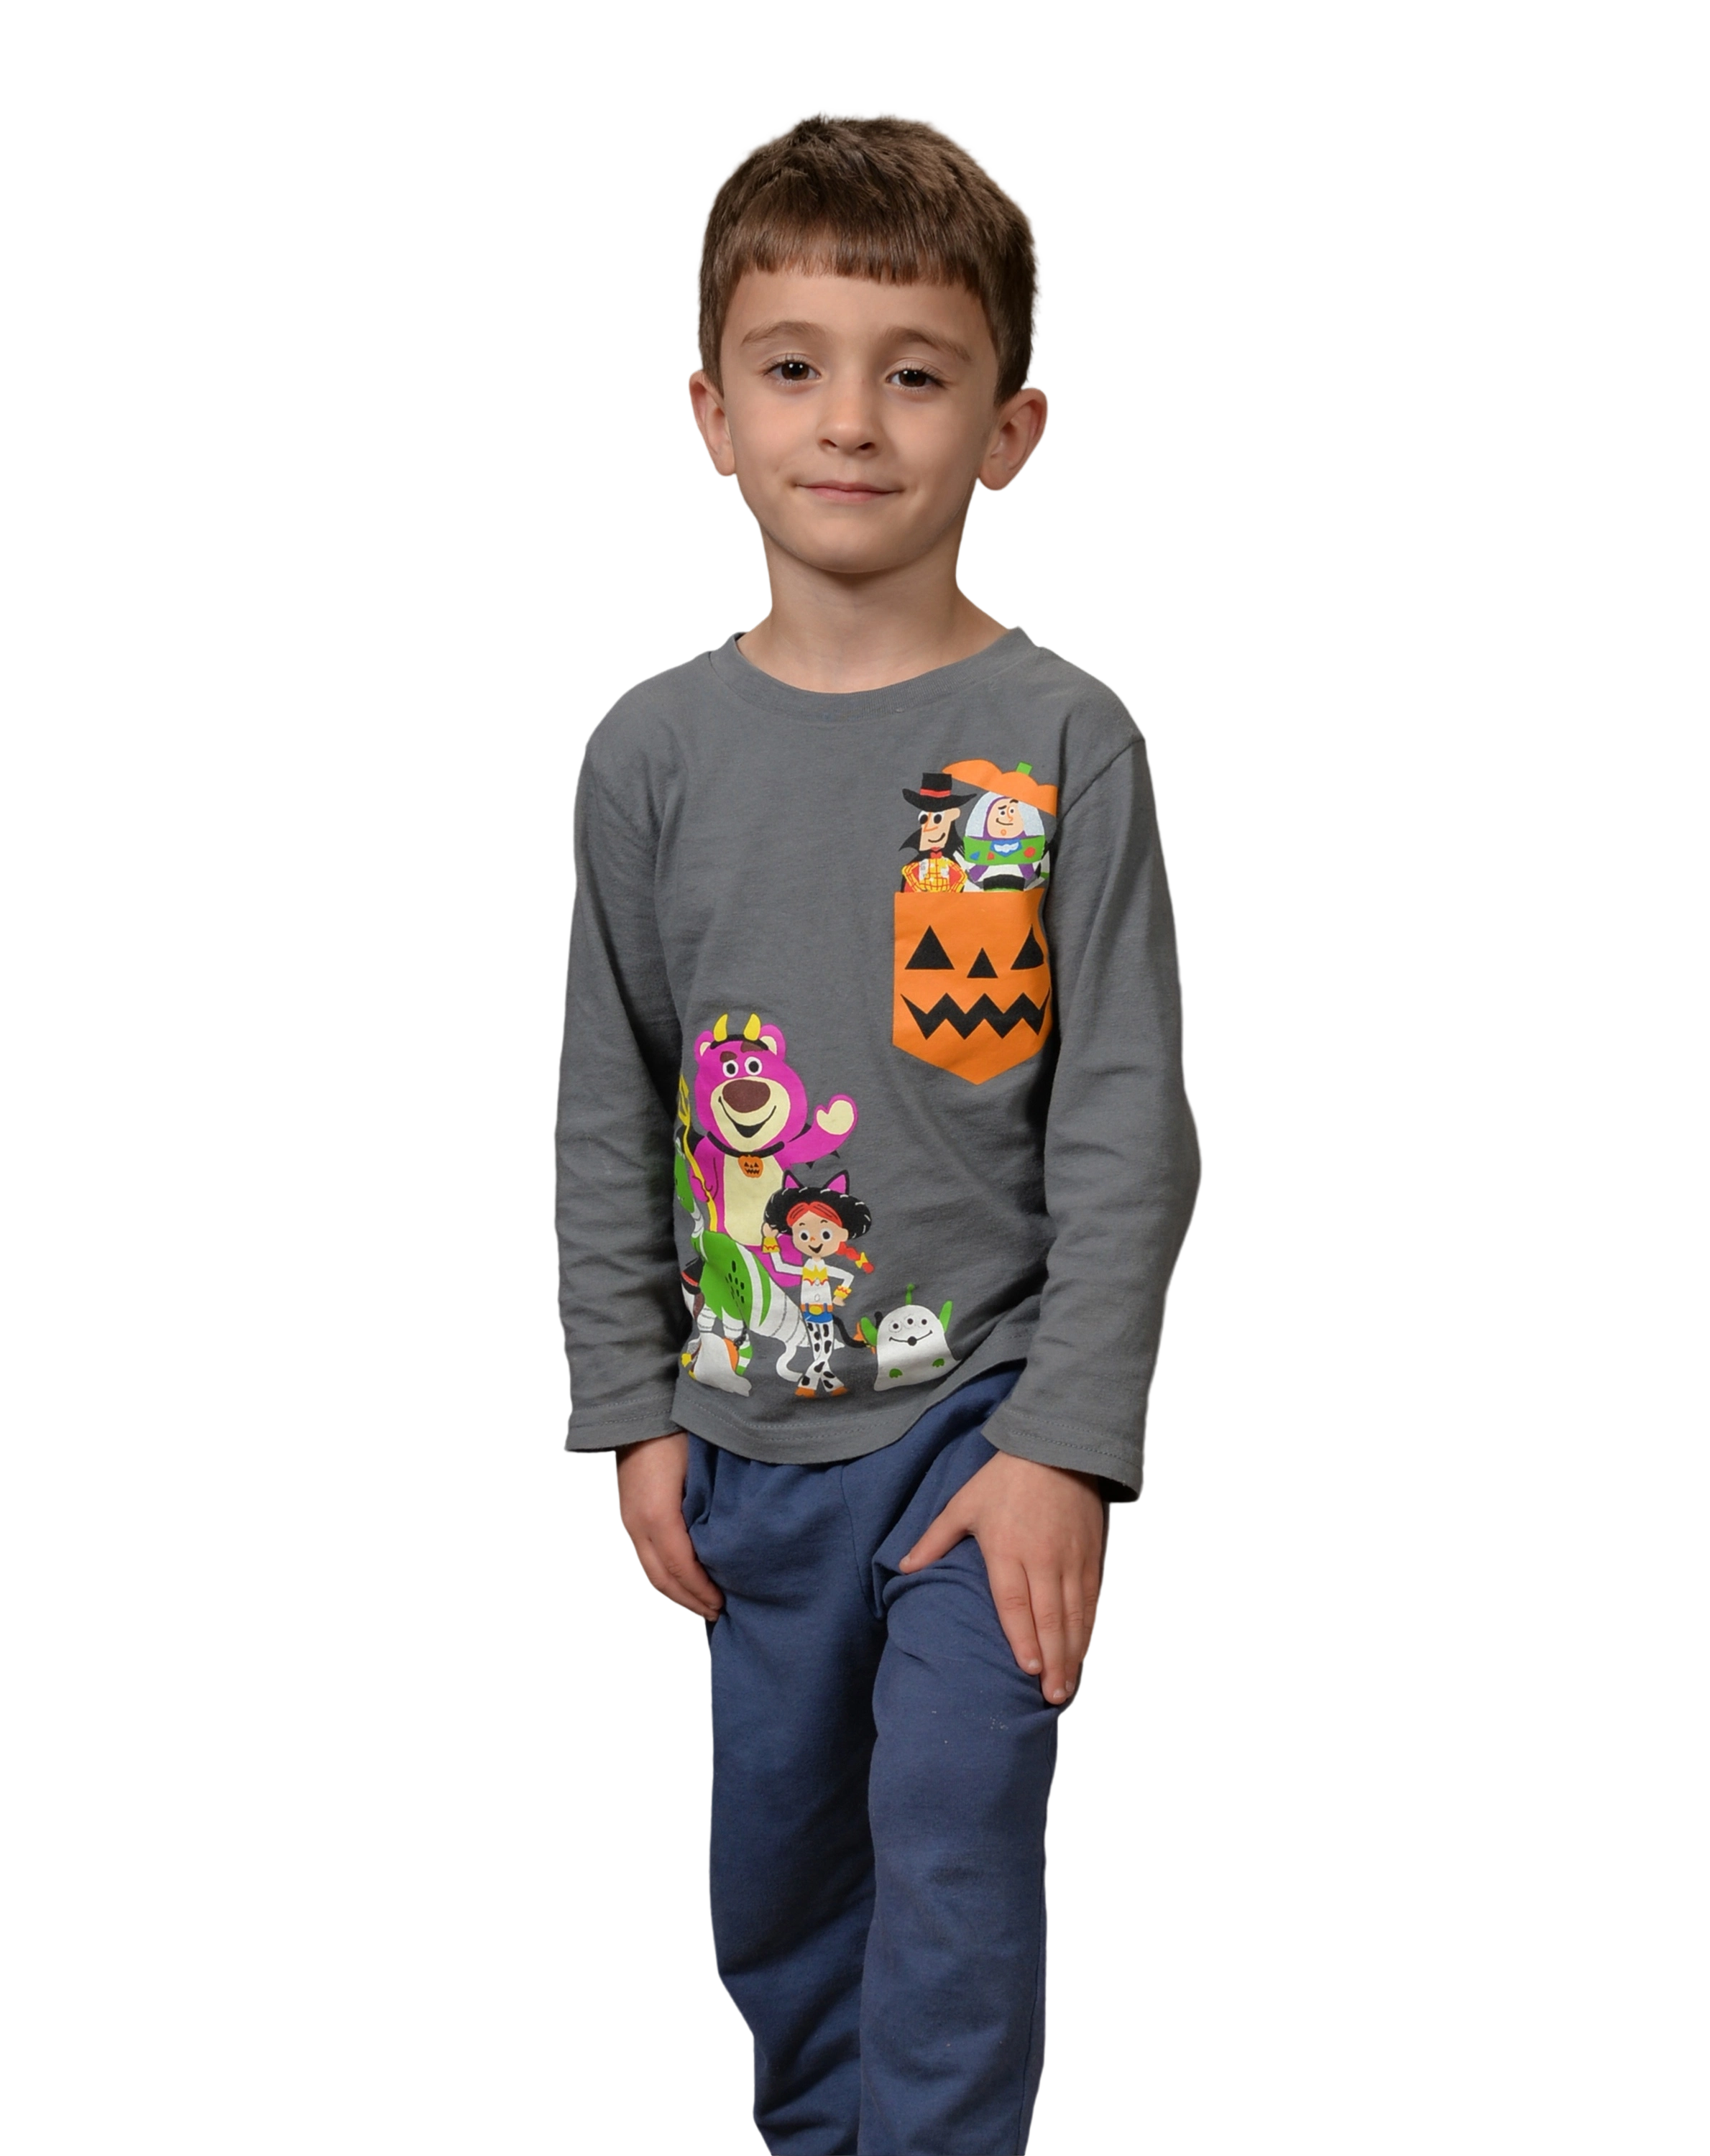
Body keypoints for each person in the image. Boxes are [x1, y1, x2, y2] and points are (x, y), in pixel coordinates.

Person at [551, 104, 1202, 2156]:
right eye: (794, 366)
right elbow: (610, 1100)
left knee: (950, 1859)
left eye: (915, 374)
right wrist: (632, 1409)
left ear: (1010, 431)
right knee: (784, 1898)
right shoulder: (651, 750)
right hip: (746, 1440)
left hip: (977, 1431)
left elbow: (1129, 1119)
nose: (850, 420)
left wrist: (1066, 1446)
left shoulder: (1062, 737)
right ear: (710, 414)